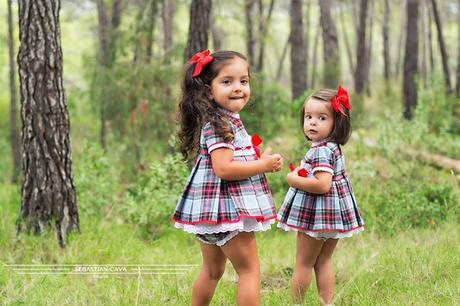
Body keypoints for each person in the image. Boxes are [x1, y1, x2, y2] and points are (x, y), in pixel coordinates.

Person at [173, 49, 283, 306]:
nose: (238, 88)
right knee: (249, 271)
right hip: (228, 213)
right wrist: (261, 165)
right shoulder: (221, 124)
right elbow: (223, 168)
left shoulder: (222, 120)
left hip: (210, 215)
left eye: (243, 81)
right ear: (208, 91)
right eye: (227, 81)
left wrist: (254, 158)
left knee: (213, 271)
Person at [277, 86, 364, 306]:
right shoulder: (331, 147)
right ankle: (327, 303)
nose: (312, 122)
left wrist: (293, 179)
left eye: (322, 117)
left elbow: (322, 185)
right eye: (308, 116)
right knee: (323, 260)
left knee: (303, 263)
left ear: (337, 123)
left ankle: (296, 303)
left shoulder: (320, 150)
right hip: (332, 215)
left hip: (316, 216)